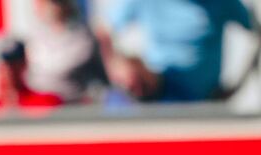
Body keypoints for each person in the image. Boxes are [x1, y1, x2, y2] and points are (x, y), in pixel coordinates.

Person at [96, 0, 256, 102]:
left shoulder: (223, 3)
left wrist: (237, 86)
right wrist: (116, 68)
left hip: (207, 106)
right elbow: (104, 32)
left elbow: (255, 31)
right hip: (161, 104)